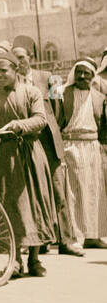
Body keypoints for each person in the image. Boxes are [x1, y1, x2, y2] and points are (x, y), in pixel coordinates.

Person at [0, 48, 58, 277]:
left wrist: (20, 125)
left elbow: (40, 119)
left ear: (15, 69)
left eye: (3, 71)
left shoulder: (32, 92)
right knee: (12, 207)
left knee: (35, 204)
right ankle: (15, 260)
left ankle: (35, 259)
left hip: (31, 153)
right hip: (7, 156)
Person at [13, 45, 75, 255]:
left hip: (49, 141)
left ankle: (66, 241)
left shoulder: (51, 77)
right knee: (35, 191)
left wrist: (52, 128)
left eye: (21, 57)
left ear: (30, 57)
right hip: (27, 142)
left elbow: (62, 110)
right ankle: (42, 240)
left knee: (59, 191)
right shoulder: (12, 84)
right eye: (15, 58)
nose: (19, 62)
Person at [54, 59, 107, 250]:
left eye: (87, 73)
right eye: (79, 72)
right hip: (71, 147)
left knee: (94, 191)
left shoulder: (100, 97)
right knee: (73, 193)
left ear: (93, 76)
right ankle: (75, 236)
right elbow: (56, 121)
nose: (82, 76)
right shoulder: (61, 93)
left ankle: (93, 235)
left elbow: (102, 126)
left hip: (92, 148)